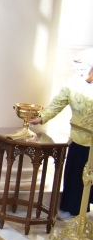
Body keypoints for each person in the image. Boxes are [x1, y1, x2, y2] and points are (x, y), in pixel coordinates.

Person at [30, 49, 93, 220]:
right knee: (75, 175)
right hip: (80, 139)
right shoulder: (72, 83)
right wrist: (42, 118)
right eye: (77, 68)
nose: (79, 71)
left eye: (84, 68)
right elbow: (58, 104)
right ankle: (72, 209)